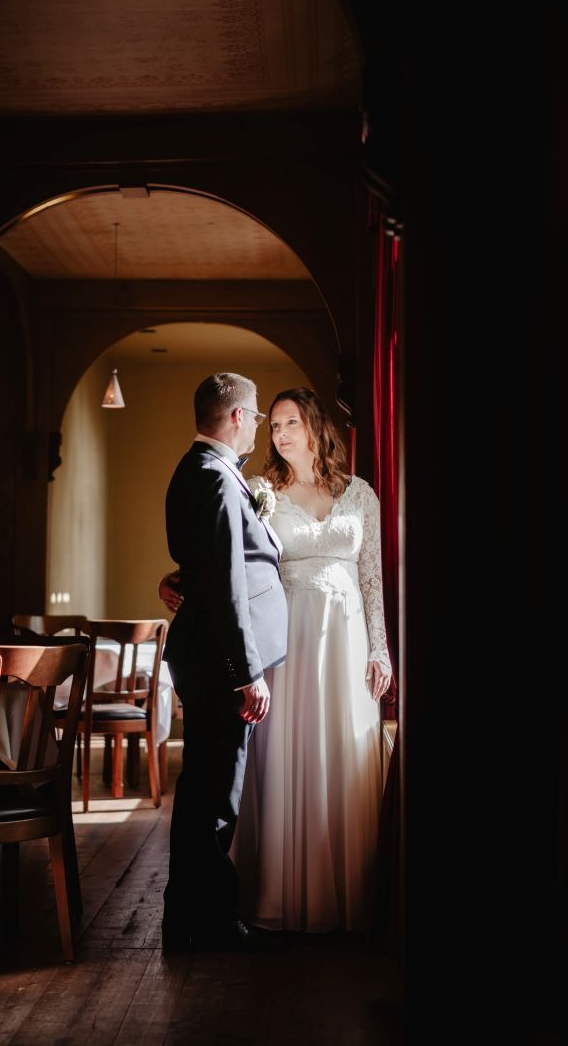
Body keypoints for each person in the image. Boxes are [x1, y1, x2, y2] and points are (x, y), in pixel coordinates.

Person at [160, 386, 393, 934]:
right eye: (274, 425)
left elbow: (372, 579)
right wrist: (177, 581)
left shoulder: (360, 494)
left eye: (290, 422)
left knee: (341, 759)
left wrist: (380, 647)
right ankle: (276, 893)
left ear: (316, 427)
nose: (280, 433)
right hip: (286, 643)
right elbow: (228, 559)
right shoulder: (260, 488)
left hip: (345, 640)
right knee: (283, 762)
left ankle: (344, 898)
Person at [161, 372, 288, 954]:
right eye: (257, 415)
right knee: (216, 797)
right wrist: (249, 673)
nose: (258, 425)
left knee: (204, 791)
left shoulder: (201, 472)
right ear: (236, 417)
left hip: (209, 656)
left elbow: (204, 571)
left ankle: (186, 915)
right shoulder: (213, 478)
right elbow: (228, 586)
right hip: (219, 663)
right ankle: (206, 922)